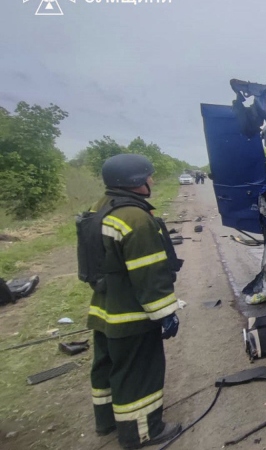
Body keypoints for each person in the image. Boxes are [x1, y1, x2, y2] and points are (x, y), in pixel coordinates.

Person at [84, 154, 182, 449]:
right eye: (148, 176)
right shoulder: (136, 218)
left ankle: (106, 422)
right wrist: (166, 312)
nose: (152, 180)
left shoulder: (100, 207)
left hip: (104, 307)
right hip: (131, 313)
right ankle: (143, 432)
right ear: (135, 182)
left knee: (106, 365)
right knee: (138, 370)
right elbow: (149, 272)